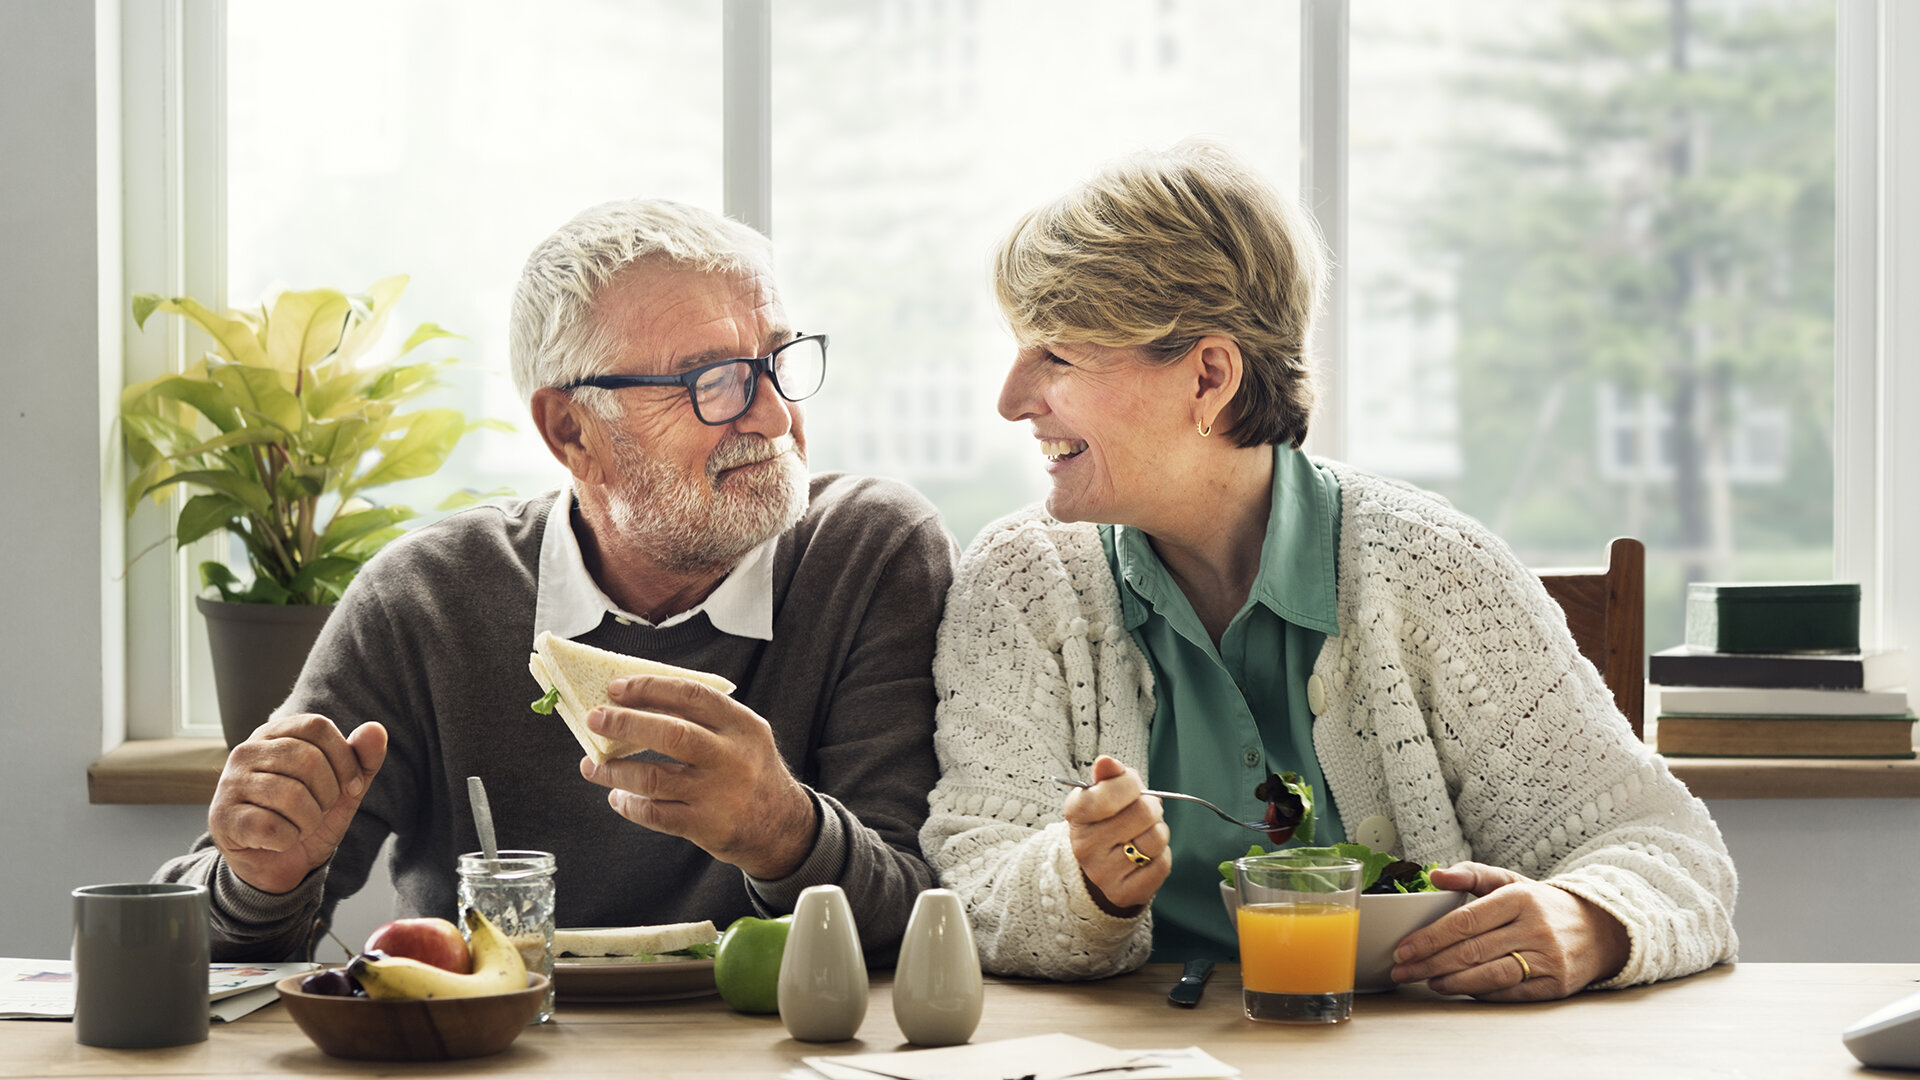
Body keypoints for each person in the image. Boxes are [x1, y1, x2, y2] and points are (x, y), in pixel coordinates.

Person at [921, 141, 1738, 1000]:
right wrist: (1079, 882)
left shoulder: (1437, 570)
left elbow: (1666, 847)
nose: (1013, 399)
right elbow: (968, 880)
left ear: (1208, 375)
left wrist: (1593, 919)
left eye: (1056, 355)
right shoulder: (1021, 583)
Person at [157, 198, 956, 961]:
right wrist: (259, 878)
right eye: (713, 381)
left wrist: (782, 831)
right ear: (570, 429)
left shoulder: (870, 553)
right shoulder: (426, 599)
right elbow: (205, 951)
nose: (777, 417)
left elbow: (927, 923)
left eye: (777, 361)